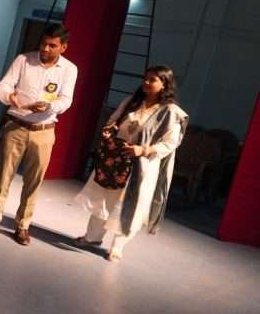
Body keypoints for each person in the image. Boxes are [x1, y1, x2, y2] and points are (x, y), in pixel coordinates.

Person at [73, 65, 187, 261]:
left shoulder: (171, 112)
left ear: (164, 84)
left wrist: (144, 150)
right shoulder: (133, 101)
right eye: (145, 78)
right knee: (104, 198)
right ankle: (92, 237)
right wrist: (109, 130)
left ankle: (117, 248)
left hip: (142, 166)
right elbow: (114, 120)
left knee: (130, 206)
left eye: (152, 80)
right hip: (116, 160)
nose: (146, 82)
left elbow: (170, 143)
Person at [0, 24, 78, 246]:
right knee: (4, 177)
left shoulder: (69, 69)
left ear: (63, 47)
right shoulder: (23, 60)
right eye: (43, 43)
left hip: (43, 130)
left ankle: (22, 225)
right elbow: (3, 86)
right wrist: (9, 97)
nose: (45, 48)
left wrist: (50, 106)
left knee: (34, 181)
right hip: (16, 126)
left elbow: (66, 99)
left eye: (52, 45)